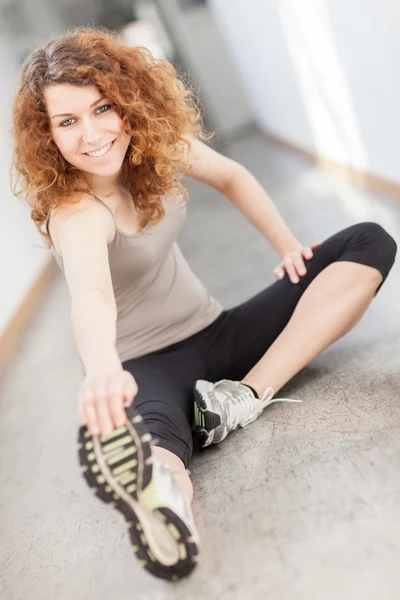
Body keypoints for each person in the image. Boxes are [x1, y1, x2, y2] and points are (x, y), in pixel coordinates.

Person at [11, 26, 397, 582]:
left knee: (369, 241)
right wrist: (101, 369)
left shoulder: (156, 148)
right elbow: (90, 296)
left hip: (220, 334)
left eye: (102, 109)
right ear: (46, 135)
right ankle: (164, 509)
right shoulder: (76, 213)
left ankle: (244, 395)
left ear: (127, 102)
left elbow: (233, 176)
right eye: (66, 121)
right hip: (146, 367)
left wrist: (286, 244)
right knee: (161, 449)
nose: (92, 134)